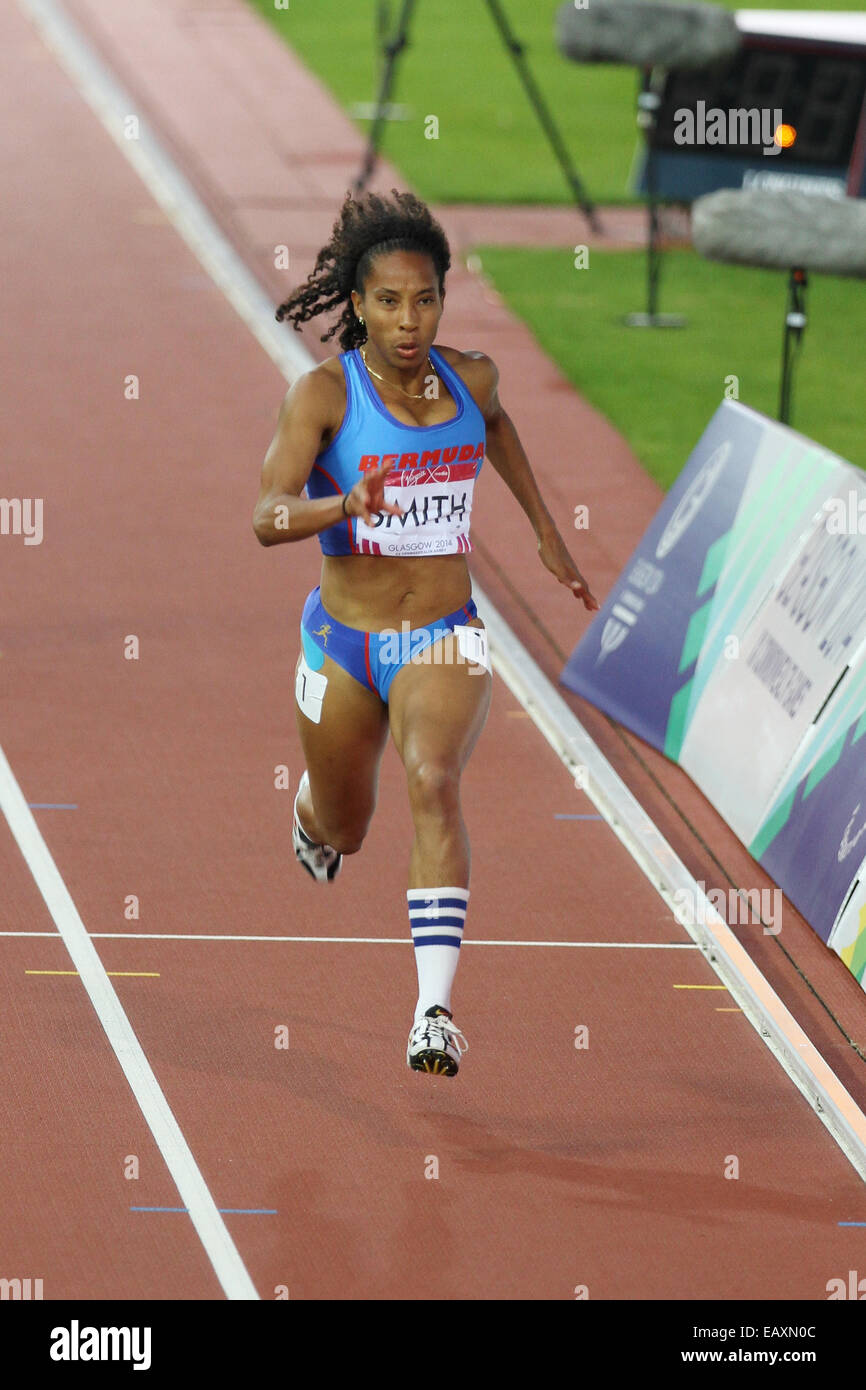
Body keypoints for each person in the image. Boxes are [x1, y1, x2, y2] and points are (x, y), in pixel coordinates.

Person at [253, 190, 598, 1077]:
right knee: (348, 825)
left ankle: (433, 1011)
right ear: (358, 305)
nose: (410, 321)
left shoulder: (470, 379)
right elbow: (266, 515)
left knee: (434, 776)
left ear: (443, 300)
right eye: (391, 302)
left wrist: (545, 530)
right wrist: (341, 502)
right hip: (344, 640)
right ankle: (310, 813)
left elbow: (498, 427)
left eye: (427, 300)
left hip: (444, 631)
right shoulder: (323, 397)